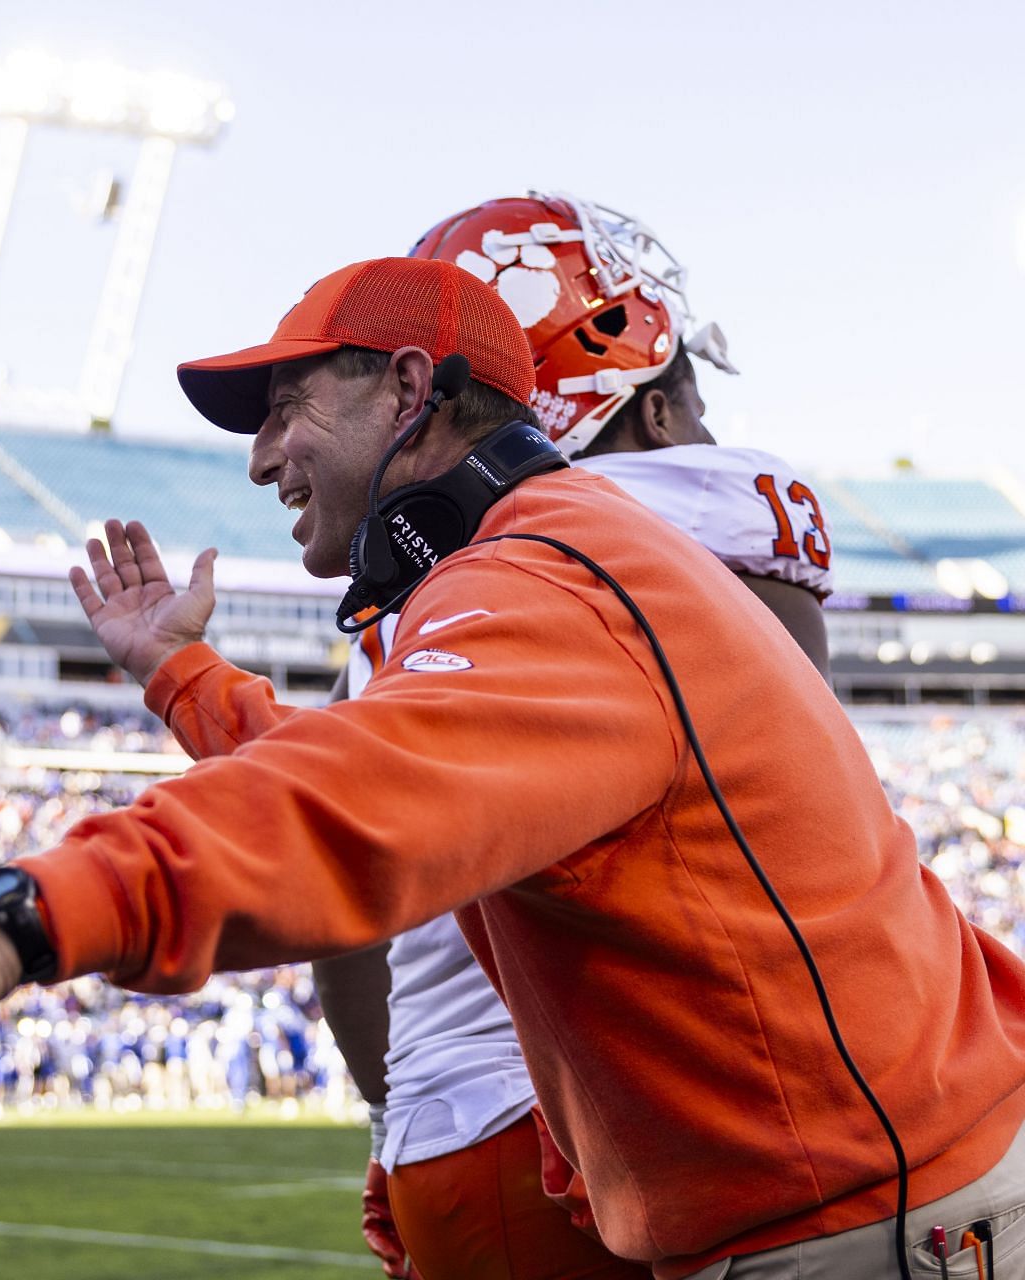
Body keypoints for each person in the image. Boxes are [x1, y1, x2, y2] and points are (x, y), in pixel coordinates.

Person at [0, 256, 1025, 1280]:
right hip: (846, 1198)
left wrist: (8, 921)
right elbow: (371, 764)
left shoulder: (548, 573)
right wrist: (181, 676)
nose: (261, 454)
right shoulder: (536, 560)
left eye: (289, 402)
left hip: (861, 1218)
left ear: (410, 388)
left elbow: (353, 808)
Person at [318, 191, 835, 1279]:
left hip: (450, 1128)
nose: (703, 436)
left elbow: (346, 921)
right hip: (600, 1120)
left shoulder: (415, 585)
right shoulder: (683, 511)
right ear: (648, 407)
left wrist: (407, 1104)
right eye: (687, 405)